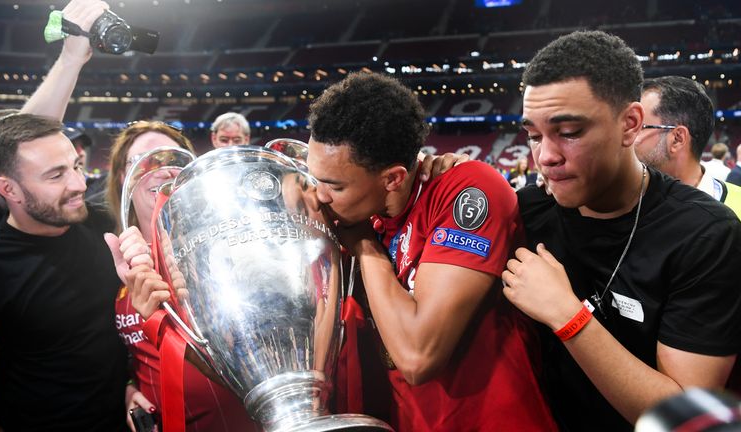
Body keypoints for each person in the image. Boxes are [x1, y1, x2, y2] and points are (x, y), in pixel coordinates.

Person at [503, 30, 741, 431]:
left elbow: (686, 419)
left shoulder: (706, 234)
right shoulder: (526, 209)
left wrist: (567, 315)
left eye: (569, 132)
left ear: (630, 124)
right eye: (533, 135)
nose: (545, 156)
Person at [304, 72, 556, 431]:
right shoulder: (362, 215)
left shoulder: (465, 189)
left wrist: (365, 246)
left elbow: (417, 357)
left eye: (334, 185)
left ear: (393, 178)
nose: (320, 196)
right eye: (316, 179)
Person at [0, 113, 129, 431]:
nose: (79, 184)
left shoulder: (105, 224)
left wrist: (133, 383)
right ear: (9, 190)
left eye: (75, 166)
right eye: (56, 175)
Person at [103, 120, 257, 431]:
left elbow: (250, 358)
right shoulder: (113, 255)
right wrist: (130, 387)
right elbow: (126, 353)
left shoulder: (231, 250)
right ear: (124, 178)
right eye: (144, 161)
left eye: (173, 160)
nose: (161, 169)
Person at [634, 75, 741, 216]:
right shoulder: (618, 206)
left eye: (640, 127)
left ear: (678, 138)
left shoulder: (736, 209)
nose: (627, 137)